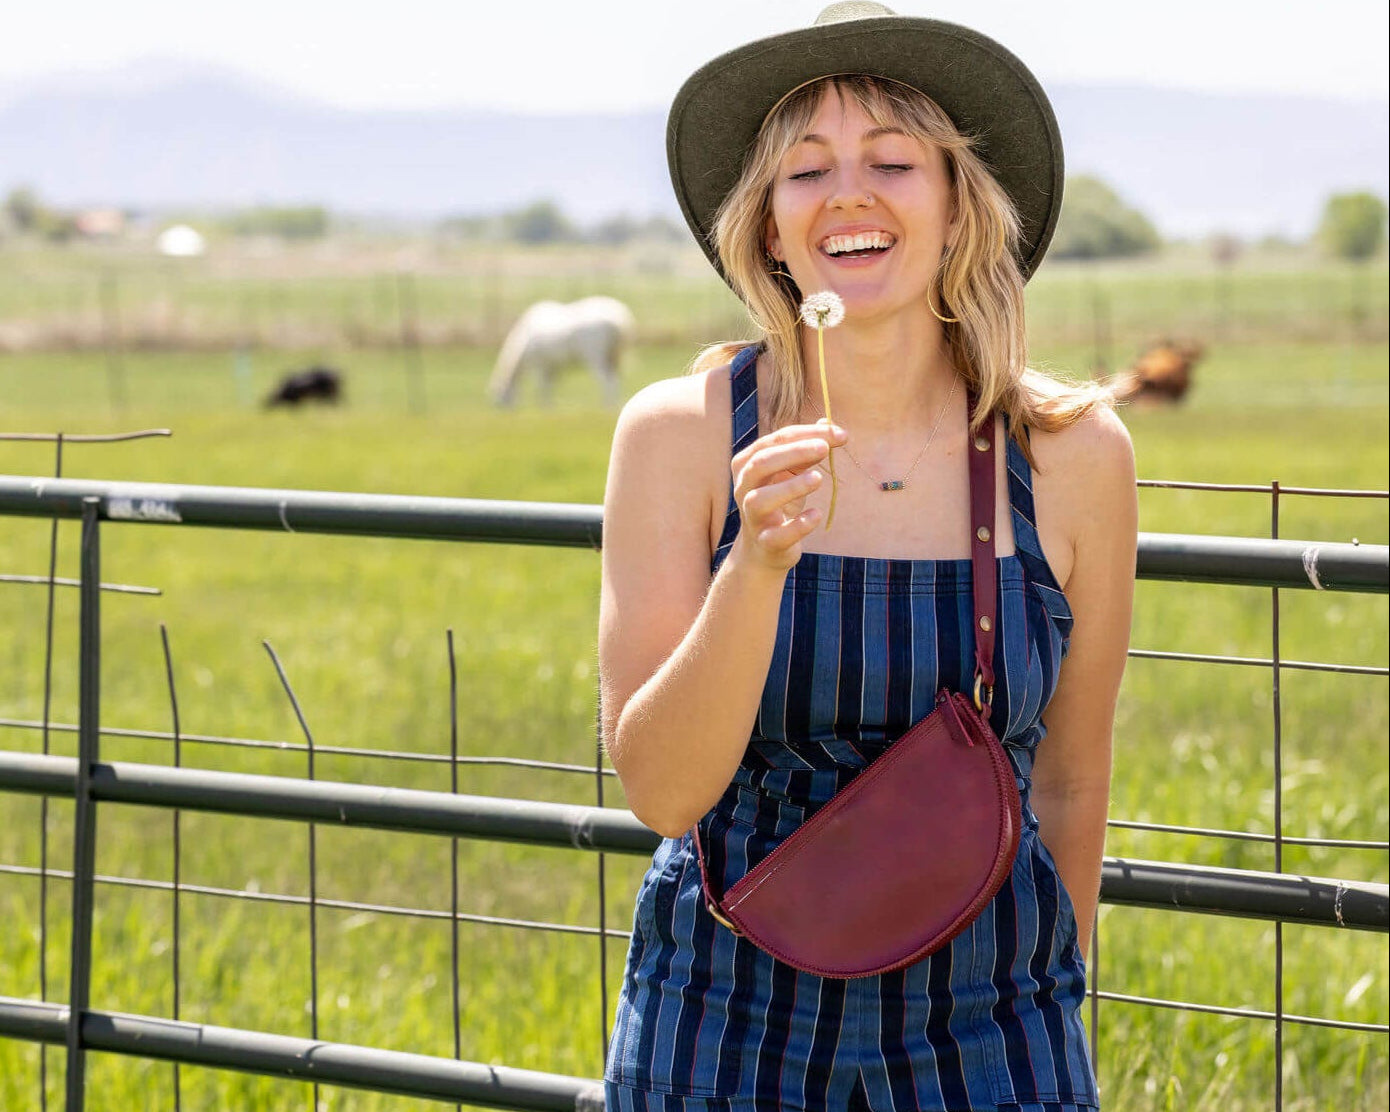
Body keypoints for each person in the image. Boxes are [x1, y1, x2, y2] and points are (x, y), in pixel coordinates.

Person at [598, 5, 1137, 1110]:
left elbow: (1072, 777)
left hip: (992, 1024)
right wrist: (752, 565)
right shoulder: (679, 436)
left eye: (892, 159)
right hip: (720, 1011)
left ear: (957, 208)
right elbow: (660, 788)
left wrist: (1052, 1001)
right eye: (805, 171)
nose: (848, 193)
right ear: (767, 230)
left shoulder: (1073, 455)